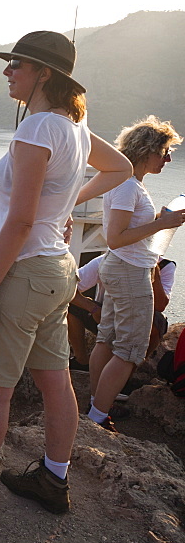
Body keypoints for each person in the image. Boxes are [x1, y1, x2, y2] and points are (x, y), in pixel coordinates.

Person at [0, 31, 132, 525]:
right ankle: (54, 479)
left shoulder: (36, 130)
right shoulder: (73, 128)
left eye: (16, 64)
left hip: (24, 273)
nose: (7, 71)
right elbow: (118, 166)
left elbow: (20, 220)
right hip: (58, 271)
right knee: (56, 382)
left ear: (44, 74)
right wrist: (68, 202)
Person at [88, 117, 184, 431]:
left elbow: (124, 231)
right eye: (165, 152)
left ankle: (97, 403)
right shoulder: (128, 185)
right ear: (147, 150)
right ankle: (99, 416)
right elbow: (115, 236)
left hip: (120, 267)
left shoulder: (128, 183)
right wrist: (161, 224)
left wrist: (158, 218)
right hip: (130, 271)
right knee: (131, 349)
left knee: (108, 339)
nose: (168, 159)